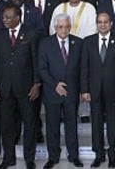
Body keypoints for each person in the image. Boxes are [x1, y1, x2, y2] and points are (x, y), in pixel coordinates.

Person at [0, 5, 41, 169]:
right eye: (3, 17)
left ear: (18, 17)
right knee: (7, 125)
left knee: (30, 124)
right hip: (5, 88)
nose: (4, 20)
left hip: (27, 88)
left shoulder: (31, 33)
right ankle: (8, 158)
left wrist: (36, 83)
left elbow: (36, 60)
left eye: (8, 17)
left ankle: (29, 159)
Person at [81, 13, 115, 168]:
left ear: (110, 24)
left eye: (105, 22)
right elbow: (84, 68)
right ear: (96, 24)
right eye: (99, 22)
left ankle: (112, 155)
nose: (102, 25)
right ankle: (99, 155)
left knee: (113, 124)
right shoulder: (88, 42)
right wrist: (84, 90)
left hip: (114, 90)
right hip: (94, 90)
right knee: (96, 123)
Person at [38, 14, 84, 169]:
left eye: (66, 27)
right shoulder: (45, 44)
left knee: (72, 125)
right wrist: (55, 84)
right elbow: (42, 68)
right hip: (52, 91)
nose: (63, 30)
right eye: (60, 27)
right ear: (55, 27)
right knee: (52, 126)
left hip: (72, 92)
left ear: (70, 27)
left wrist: (83, 90)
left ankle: (74, 156)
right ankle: (53, 157)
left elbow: (83, 69)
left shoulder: (78, 43)